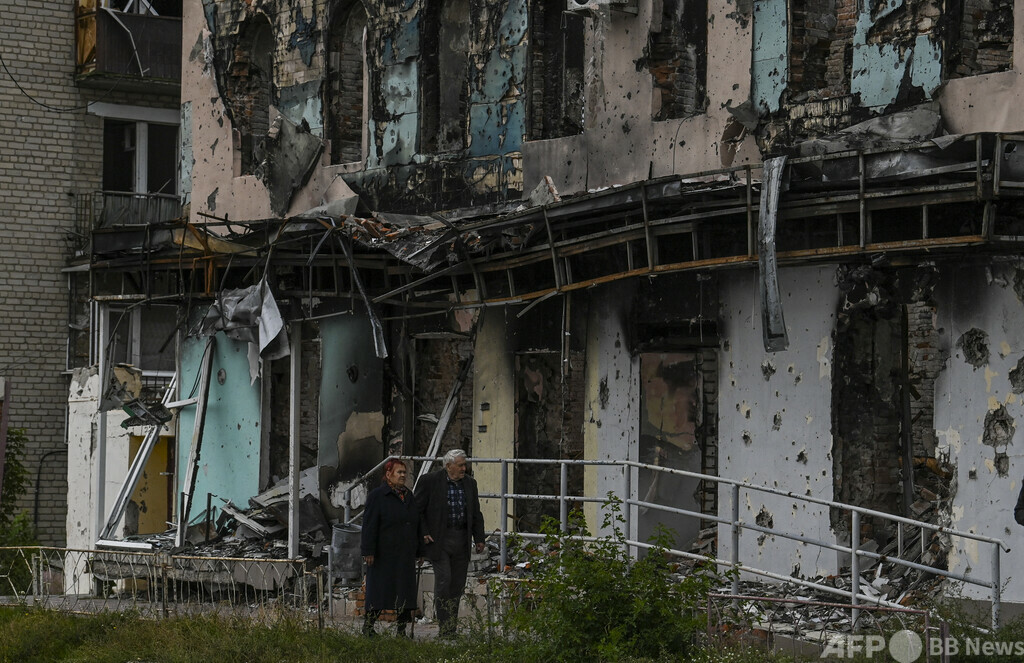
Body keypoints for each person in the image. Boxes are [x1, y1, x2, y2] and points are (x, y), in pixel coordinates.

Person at [415, 448, 485, 638]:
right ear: (448, 466)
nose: (464, 468)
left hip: (461, 539)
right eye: (460, 465)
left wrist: (479, 538)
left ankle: (450, 628)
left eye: (465, 464)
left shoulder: (470, 484)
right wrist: (424, 532)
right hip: (440, 540)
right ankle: (445, 627)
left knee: (457, 585)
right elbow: (417, 510)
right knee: (444, 581)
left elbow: (476, 513)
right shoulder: (430, 481)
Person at [360, 459, 420, 637]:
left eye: (404, 472)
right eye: (399, 472)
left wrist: (420, 550)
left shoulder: (408, 496)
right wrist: (368, 550)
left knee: (404, 593)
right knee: (379, 592)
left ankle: (401, 632)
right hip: (383, 554)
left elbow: (417, 522)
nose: (403, 475)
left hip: (405, 553)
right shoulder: (377, 496)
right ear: (388, 475)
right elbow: (369, 525)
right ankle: (369, 628)